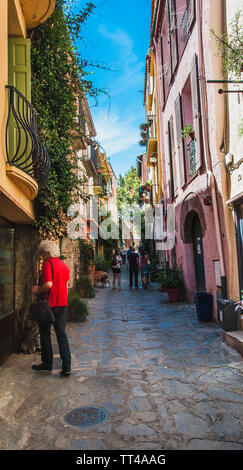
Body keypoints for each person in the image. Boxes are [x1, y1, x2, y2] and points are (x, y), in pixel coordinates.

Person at [31, 240, 71, 376]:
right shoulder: (64, 265)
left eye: (42, 253)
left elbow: (48, 284)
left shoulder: (49, 264)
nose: (41, 256)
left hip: (49, 305)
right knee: (61, 335)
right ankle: (66, 367)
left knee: (45, 333)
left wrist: (37, 290)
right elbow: (65, 285)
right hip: (62, 304)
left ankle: (47, 365)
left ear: (47, 252)